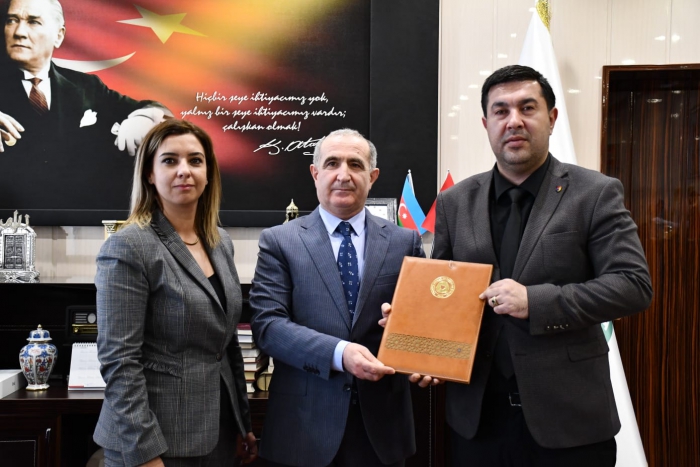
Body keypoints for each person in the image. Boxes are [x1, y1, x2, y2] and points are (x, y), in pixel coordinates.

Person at [384, 65, 653, 466]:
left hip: (570, 422)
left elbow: (632, 285)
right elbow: (445, 289)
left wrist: (536, 301)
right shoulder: (456, 201)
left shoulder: (594, 193)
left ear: (552, 118)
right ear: (486, 124)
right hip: (478, 422)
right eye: (501, 111)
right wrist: (416, 326)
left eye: (527, 108)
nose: (514, 121)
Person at [249, 128, 425, 467]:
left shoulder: (405, 242)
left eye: (355, 164)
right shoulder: (279, 241)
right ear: (315, 173)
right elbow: (268, 326)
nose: (344, 175)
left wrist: (409, 326)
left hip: (382, 431)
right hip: (302, 429)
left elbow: (423, 321)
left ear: (372, 176)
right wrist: (340, 354)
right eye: (332, 163)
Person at [93, 119, 257, 467]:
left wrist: (242, 424)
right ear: (150, 174)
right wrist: (145, 453)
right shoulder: (129, 246)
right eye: (170, 160)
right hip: (155, 441)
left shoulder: (220, 242)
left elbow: (225, 344)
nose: (185, 170)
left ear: (208, 174)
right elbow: (119, 361)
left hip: (218, 433)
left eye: (195, 160)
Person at [0, 0, 171, 212]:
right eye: (12, 20)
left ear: (59, 36)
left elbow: (156, 110)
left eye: (33, 22)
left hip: (75, 217)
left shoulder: (86, 86)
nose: (19, 32)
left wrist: (142, 119)